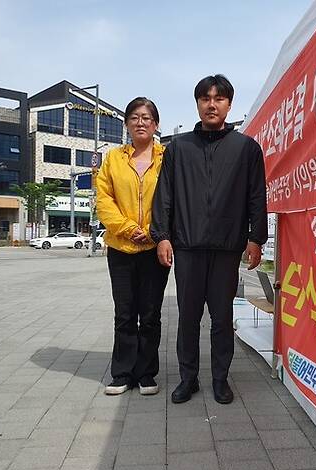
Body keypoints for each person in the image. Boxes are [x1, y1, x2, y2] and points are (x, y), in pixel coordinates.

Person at [150, 75, 267, 404]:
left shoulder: (246, 149)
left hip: (227, 248)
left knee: (221, 318)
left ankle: (219, 379)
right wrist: (162, 236)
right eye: (205, 98)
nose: (211, 104)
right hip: (187, 248)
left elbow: (256, 196)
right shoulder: (179, 149)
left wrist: (256, 237)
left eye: (219, 98)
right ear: (198, 103)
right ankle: (188, 379)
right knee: (187, 318)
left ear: (229, 104)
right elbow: (165, 197)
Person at [96, 97, 169, 396]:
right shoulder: (112, 159)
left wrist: (154, 233)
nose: (141, 122)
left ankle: (146, 373)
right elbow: (104, 200)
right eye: (135, 117)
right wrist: (128, 230)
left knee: (150, 313)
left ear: (156, 124)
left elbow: (172, 198)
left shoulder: (168, 158)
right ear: (126, 123)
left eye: (147, 117)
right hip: (121, 249)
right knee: (124, 312)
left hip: (155, 249)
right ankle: (123, 373)